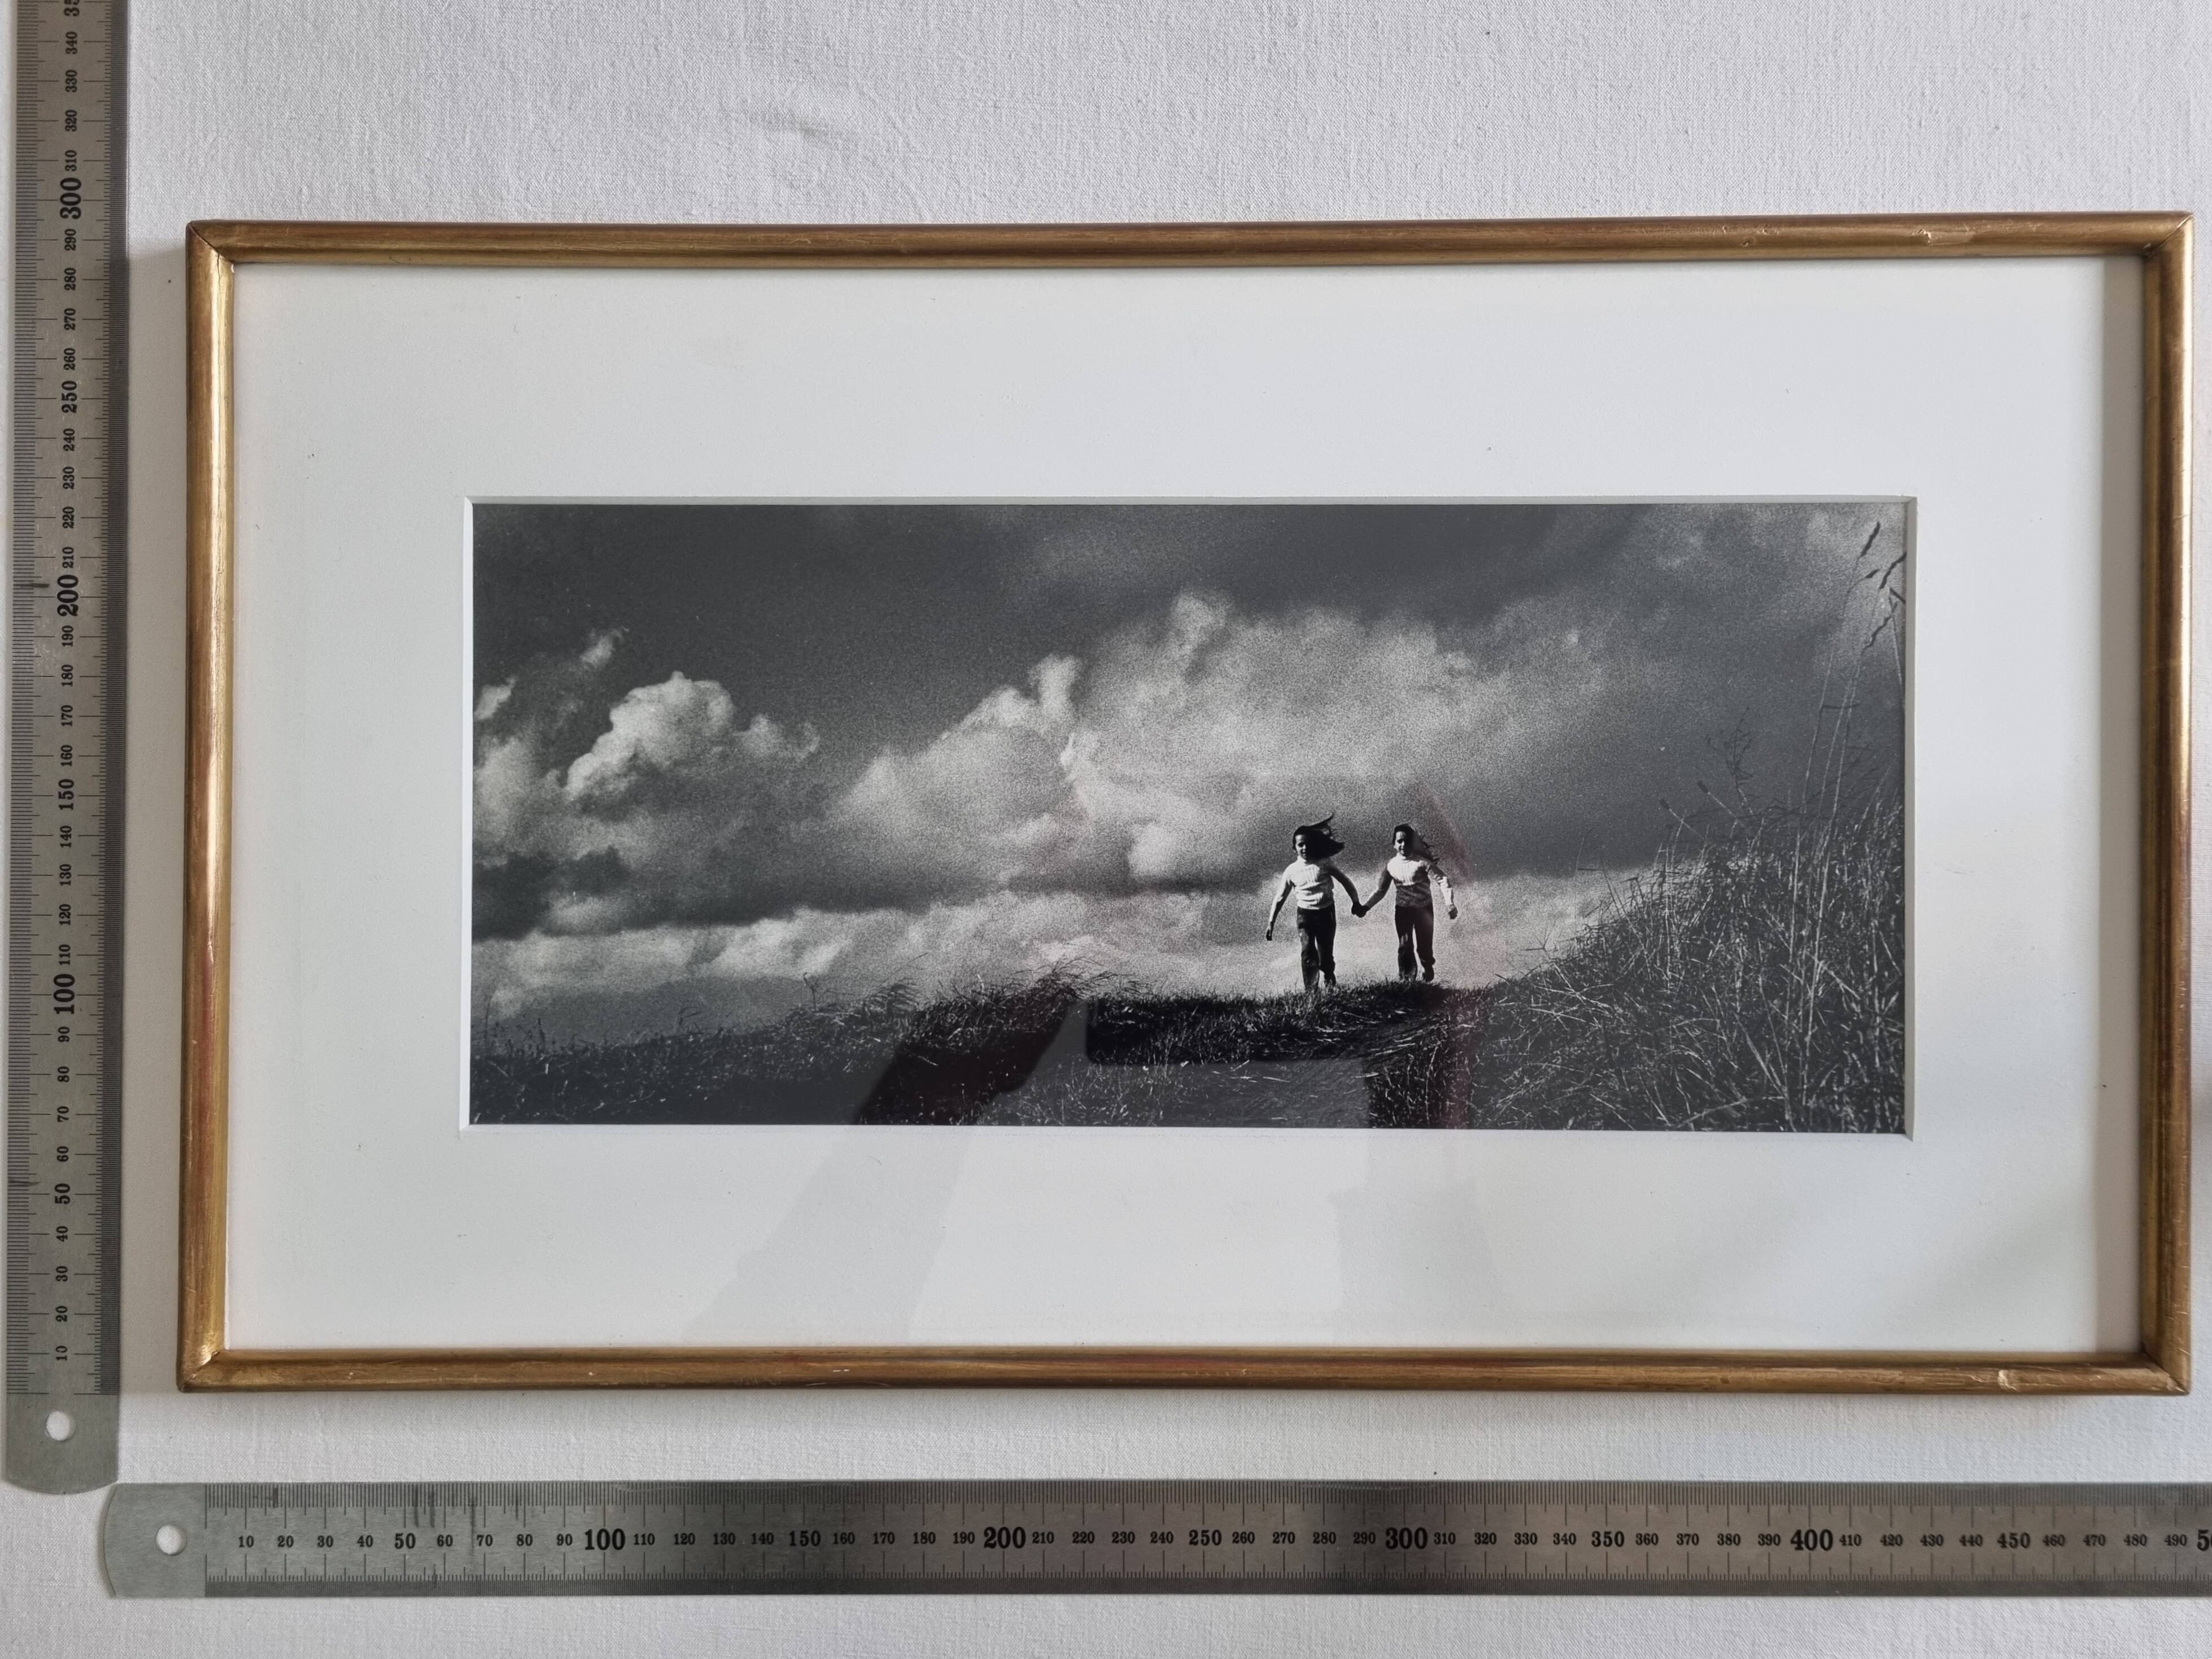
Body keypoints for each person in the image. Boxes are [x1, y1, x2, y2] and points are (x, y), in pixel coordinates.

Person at [1264, 816, 1361, 990]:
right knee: (1308, 952)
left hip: (1326, 914)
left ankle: (1329, 976)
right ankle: (1311, 992)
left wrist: (1355, 902)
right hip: (1305, 916)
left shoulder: (1324, 864)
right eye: (1301, 845)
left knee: (1325, 957)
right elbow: (1280, 898)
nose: (1305, 848)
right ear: (1295, 849)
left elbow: (1346, 882)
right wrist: (1271, 923)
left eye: (1308, 844)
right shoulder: (1291, 871)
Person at [1355, 823, 1458, 982]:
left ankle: (1427, 965)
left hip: (1424, 909)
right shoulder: (1391, 866)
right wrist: (1366, 907)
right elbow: (1380, 890)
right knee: (1405, 945)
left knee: (1424, 947)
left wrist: (1449, 904)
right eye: (1400, 841)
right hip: (1403, 910)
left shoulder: (1422, 863)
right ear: (1394, 844)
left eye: (1407, 841)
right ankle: (1407, 980)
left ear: (1412, 843)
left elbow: (1443, 880)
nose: (1403, 845)